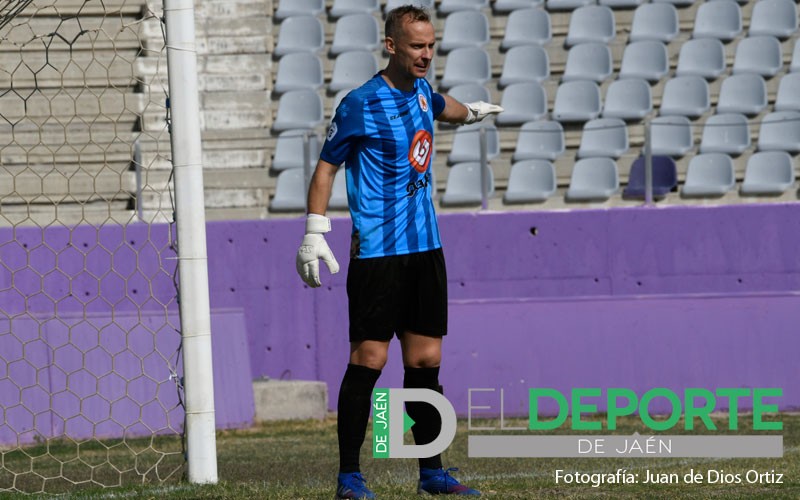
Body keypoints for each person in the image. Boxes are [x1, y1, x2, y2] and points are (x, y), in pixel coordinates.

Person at [295, 5, 502, 499]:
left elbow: (442, 106)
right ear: (391, 46)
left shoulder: (424, 93)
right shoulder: (360, 104)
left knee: (426, 364)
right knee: (368, 359)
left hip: (426, 250)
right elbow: (326, 168)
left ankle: (432, 471)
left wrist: (471, 112)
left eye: (431, 46)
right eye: (416, 46)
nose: (426, 54)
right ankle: (349, 476)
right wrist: (314, 231)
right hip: (379, 256)